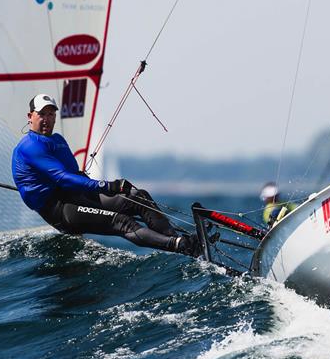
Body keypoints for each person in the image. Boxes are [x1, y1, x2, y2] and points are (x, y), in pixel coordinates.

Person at [11, 94, 199, 255]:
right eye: (41, 114)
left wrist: (103, 189)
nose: (46, 119)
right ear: (30, 116)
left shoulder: (58, 140)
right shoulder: (30, 147)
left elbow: (75, 174)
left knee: (137, 198)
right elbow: (62, 177)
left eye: (51, 114)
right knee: (122, 222)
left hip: (74, 196)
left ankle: (178, 240)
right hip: (58, 209)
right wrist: (107, 186)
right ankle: (179, 246)